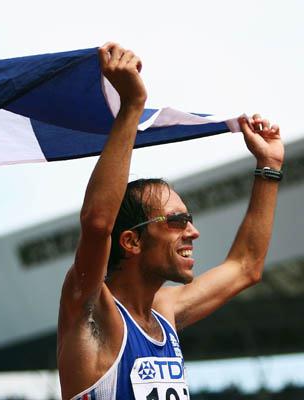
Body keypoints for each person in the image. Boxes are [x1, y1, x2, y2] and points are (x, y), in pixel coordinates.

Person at [57, 42, 284, 400]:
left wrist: (269, 166)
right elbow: (99, 223)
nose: (193, 231)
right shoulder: (90, 308)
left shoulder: (165, 312)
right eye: (177, 221)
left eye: (188, 220)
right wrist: (132, 106)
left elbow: (246, 266)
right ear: (131, 241)